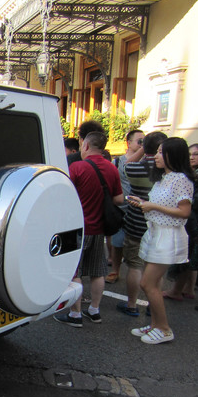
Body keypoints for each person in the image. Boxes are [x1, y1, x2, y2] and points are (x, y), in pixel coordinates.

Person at [128, 137, 194, 344]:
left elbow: (184, 211)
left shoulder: (181, 179)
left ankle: (164, 329)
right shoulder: (163, 177)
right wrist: (144, 203)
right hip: (155, 232)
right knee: (153, 283)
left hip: (167, 236)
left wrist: (153, 207)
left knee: (148, 283)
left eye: (160, 152)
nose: (155, 156)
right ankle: (155, 324)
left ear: (172, 155)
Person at [54, 131, 124, 327]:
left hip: (75, 227)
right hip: (99, 228)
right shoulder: (111, 169)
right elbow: (119, 199)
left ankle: (75, 315)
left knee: (74, 272)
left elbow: (63, 194)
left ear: (85, 145)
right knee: (97, 271)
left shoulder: (77, 167)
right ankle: (94, 310)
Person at [116, 132, 167, 316]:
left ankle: (131, 305)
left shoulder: (135, 168)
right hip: (158, 225)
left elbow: (127, 164)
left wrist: (143, 148)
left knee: (134, 266)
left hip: (135, 223)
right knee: (154, 269)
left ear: (144, 146)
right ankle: (153, 306)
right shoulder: (167, 171)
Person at [106, 130, 146, 284]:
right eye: (139, 141)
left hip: (138, 211)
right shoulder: (117, 162)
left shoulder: (147, 162)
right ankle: (115, 270)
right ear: (128, 143)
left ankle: (134, 274)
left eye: (144, 141)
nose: (142, 144)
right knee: (117, 242)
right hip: (121, 209)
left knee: (136, 247)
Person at [162, 142, 198, 300]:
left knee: (185, 257)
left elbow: (188, 209)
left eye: (196, 154)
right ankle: (188, 289)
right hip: (193, 222)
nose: (192, 157)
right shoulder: (191, 175)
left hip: (193, 222)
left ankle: (177, 290)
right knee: (190, 257)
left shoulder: (185, 178)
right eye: (190, 154)